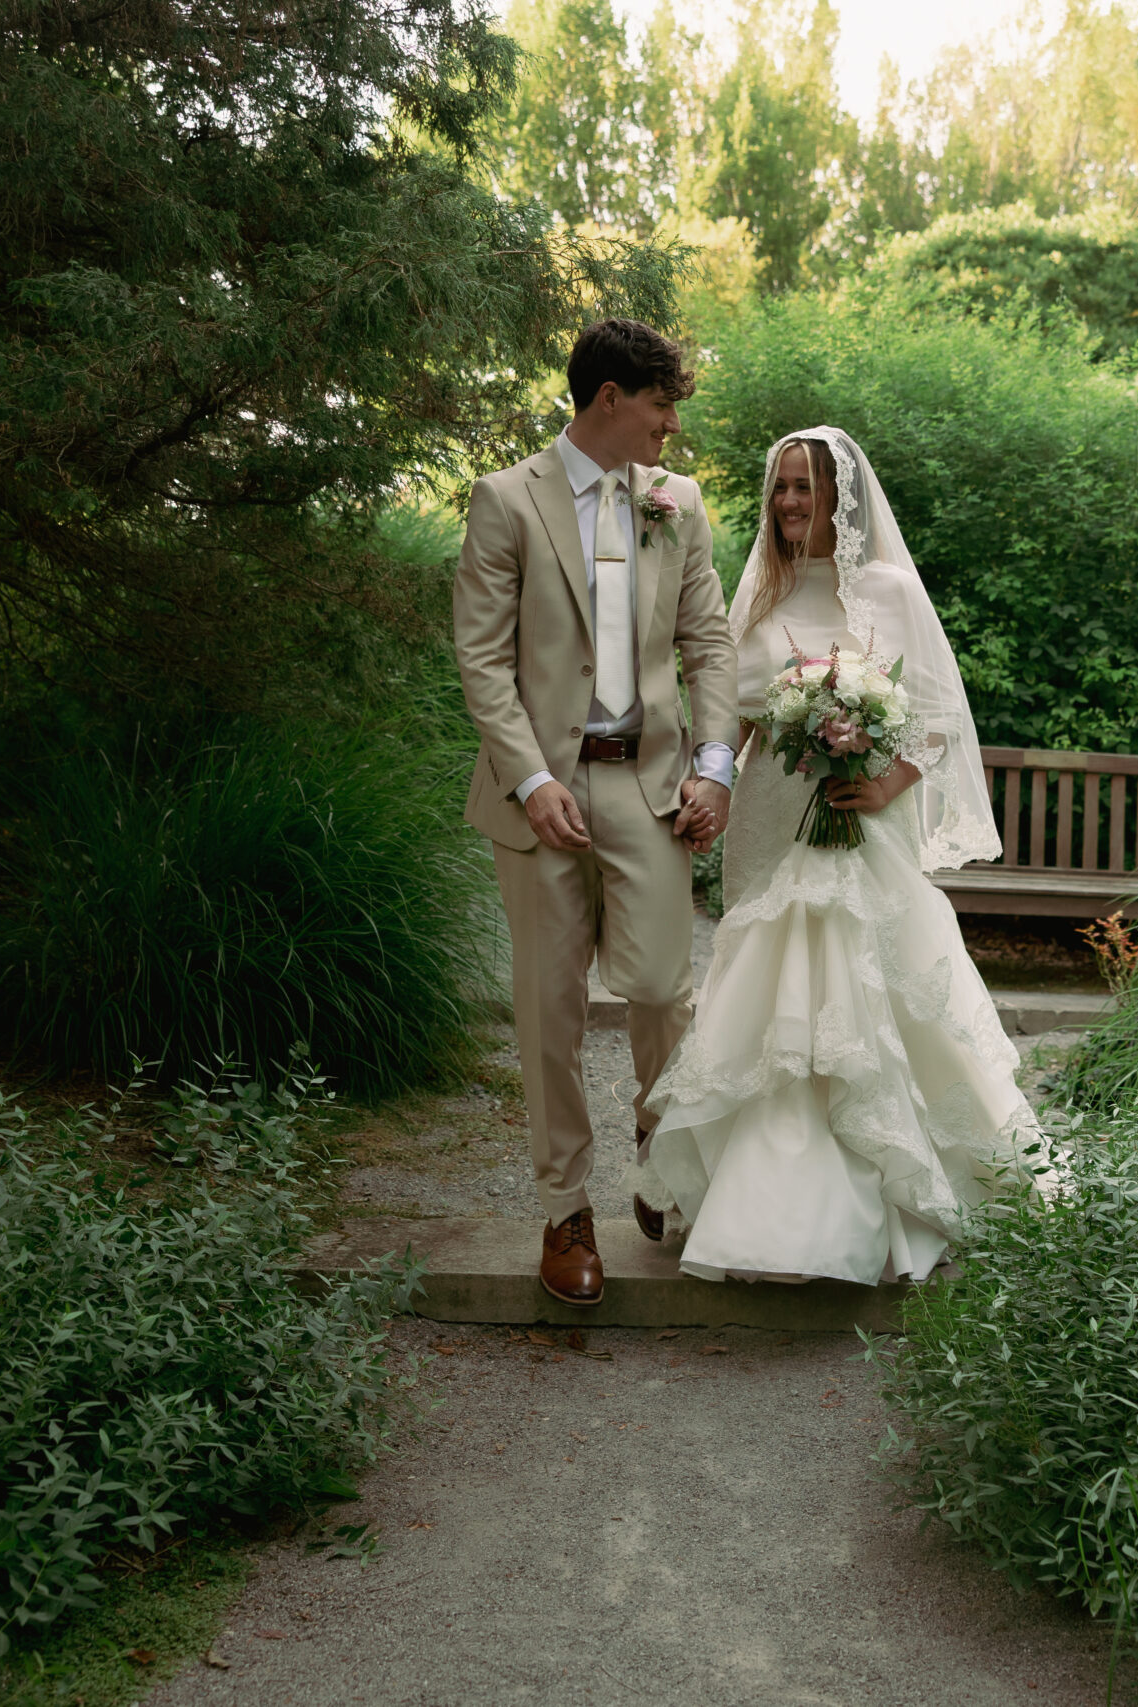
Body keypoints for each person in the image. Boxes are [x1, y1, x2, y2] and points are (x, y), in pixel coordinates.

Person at [633, 427, 1039, 1285]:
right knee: (775, 1012)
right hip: (776, 830)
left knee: (870, 1000)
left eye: (804, 489)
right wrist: (711, 786)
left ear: (839, 500)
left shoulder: (887, 591)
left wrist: (887, 781)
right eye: (779, 487)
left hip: (860, 826)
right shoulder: (759, 598)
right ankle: (769, 1204)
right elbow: (733, 719)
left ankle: (894, 1193)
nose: (787, 504)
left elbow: (937, 713)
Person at [451, 319, 739, 1307]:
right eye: (661, 405)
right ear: (609, 398)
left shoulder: (678, 504)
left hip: (652, 785)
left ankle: (659, 1151)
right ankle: (565, 1208)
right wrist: (531, 780)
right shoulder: (504, 501)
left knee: (663, 987)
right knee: (549, 1009)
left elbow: (709, 645)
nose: (671, 427)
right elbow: (483, 661)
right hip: (540, 790)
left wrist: (714, 767)